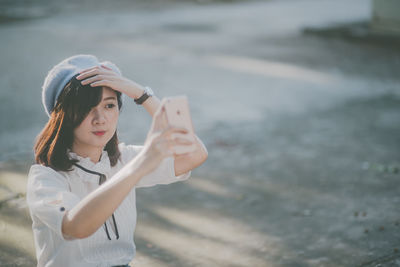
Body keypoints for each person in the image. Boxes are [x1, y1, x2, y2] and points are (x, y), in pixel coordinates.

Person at [26, 54, 208, 267]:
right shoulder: (45, 177)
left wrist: (141, 94)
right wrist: (138, 168)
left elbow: (195, 154)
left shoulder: (122, 159)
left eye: (109, 105)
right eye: (86, 108)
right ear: (63, 116)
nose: (100, 119)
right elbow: (75, 226)